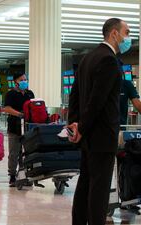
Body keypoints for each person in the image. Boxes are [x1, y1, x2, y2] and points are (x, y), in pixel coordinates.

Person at [68, 18, 129, 225]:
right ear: (114, 33)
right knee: (99, 188)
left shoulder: (87, 58)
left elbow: (74, 96)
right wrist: (81, 128)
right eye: (126, 32)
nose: (127, 38)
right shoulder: (109, 60)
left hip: (88, 136)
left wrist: (74, 125)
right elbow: (97, 101)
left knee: (85, 182)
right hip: (102, 135)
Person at [3, 74, 34, 187]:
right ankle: (12, 175)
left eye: (26, 79)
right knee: (14, 152)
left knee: (28, 151)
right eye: (22, 80)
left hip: (27, 126)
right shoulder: (11, 94)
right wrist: (20, 114)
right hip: (14, 126)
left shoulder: (29, 93)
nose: (24, 81)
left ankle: (26, 174)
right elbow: (6, 108)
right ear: (15, 81)